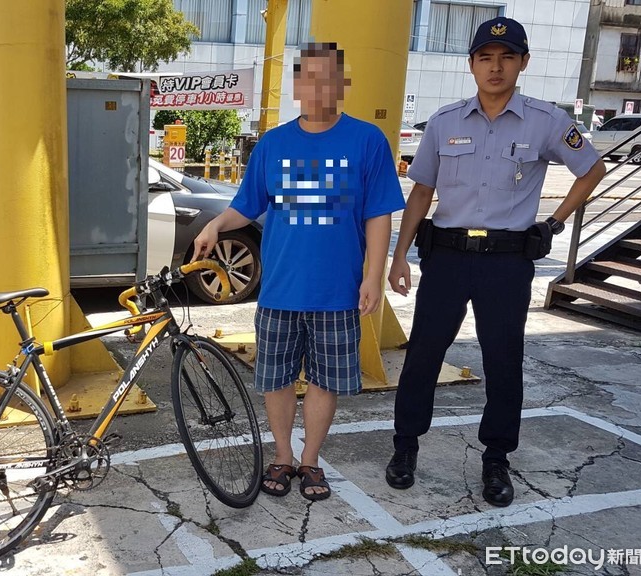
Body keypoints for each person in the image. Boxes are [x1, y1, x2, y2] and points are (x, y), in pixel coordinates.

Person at [384, 17, 606, 507]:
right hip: (446, 257)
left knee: (503, 359)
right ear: (471, 65)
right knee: (423, 354)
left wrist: (554, 223)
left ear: (523, 62)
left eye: (507, 57)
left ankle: (497, 457)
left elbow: (592, 168)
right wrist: (399, 255)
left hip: (507, 263)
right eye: (485, 57)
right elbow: (421, 191)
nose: (496, 67)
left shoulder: (546, 121)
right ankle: (405, 445)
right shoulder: (444, 121)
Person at [192, 42, 405, 501]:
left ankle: (311, 461)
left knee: (327, 381)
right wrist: (215, 225)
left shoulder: (367, 141)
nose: (316, 87)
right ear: (297, 85)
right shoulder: (273, 144)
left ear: (342, 84)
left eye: (327, 77)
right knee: (276, 380)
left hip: (338, 291)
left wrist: (373, 275)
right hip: (280, 291)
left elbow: (378, 214)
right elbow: (247, 204)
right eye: (307, 77)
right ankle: (283, 456)